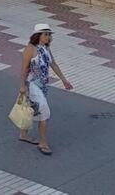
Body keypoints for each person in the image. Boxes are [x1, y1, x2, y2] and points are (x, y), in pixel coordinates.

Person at [18, 23, 73, 156]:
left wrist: (64, 80)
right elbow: (24, 70)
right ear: (38, 35)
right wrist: (22, 86)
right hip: (32, 85)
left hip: (43, 86)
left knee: (31, 109)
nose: (48, 37)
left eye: (49, 35)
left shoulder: (46, 48)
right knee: (45, 113)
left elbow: (53, 64)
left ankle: (23, 134)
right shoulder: (30, 49)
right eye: (46, 34)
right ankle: (43, 142)